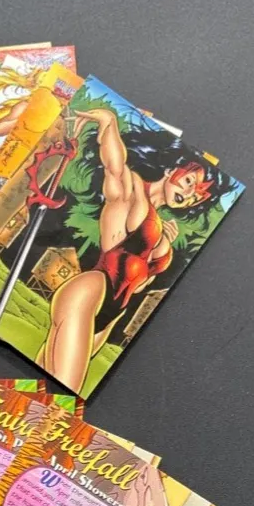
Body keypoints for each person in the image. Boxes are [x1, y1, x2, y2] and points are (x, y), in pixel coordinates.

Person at [38, 104, 223, 391]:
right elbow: (115, 166)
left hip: (111, 316)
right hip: (91, 291)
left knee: (42, 394)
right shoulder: (134, 192)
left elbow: (137, 285)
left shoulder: (163, 230)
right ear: (172, 170)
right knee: (64, 391)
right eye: (189, 181)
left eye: (194, 196)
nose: (187, 194)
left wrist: (164, 245)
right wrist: (109, 123)